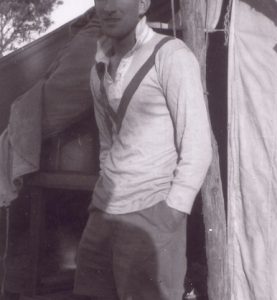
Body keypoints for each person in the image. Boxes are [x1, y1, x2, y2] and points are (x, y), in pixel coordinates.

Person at [73, 0, 212, 299]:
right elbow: (108, 143)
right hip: (104, 212)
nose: (109, 7)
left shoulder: (171, 55)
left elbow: (197, 144)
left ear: (143, 4)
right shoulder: (98, 70)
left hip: (153, 213)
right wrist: (104, 195)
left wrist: (172, 212)